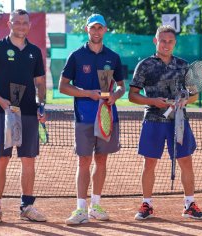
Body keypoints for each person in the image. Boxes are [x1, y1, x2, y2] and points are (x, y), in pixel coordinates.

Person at [129, 25, 202, 220]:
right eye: (162, 40)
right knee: (149, 163)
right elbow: (132, 95)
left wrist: (184, 101)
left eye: (170, 41)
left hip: (178, 121)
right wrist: (152, 101)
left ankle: (190, 204)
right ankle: (146, 204)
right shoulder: (145, 65)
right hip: (153, 120)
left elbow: (194, 96)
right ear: (155, 41)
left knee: (186, 162)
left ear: (175, 43)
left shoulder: (183, 65)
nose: (166, 44)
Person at [0, 9, 47, 226]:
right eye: (17, 22)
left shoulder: (35, 52)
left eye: (24, 22)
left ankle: (26, 206)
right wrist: (1, 100)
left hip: (28, 113)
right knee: (1, 160)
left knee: (29, 161)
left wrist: (41, 105)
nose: (21, 25)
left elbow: (40, 83)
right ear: (9, 24)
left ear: (29, 25)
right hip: (3, 113)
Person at [59, 14, 125, 225]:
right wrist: (88, 93)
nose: (96, 31)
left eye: (100, 28)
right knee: (84, 160)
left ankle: (95, 205)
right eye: (93, 28)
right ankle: (80, 209)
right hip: (84, 117)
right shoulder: (76, 56)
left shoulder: (113, 57)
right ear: (87, 29)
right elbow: (63, 86)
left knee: (102, 160)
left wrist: (115, 95)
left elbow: (122, 86)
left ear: (105, 30)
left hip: (107, 115)